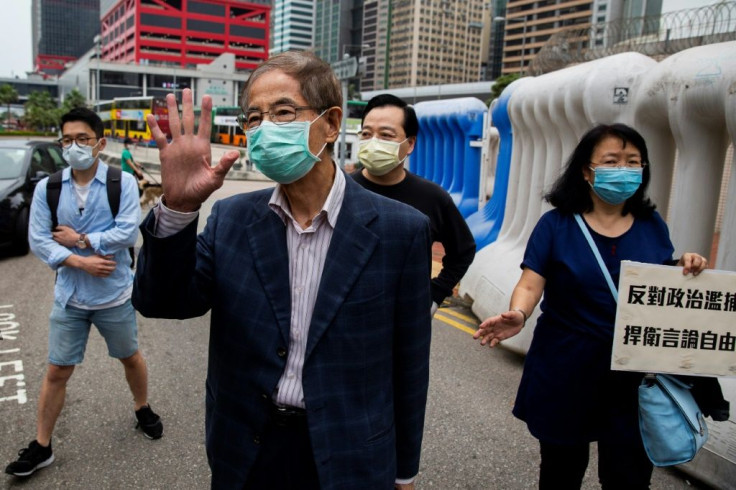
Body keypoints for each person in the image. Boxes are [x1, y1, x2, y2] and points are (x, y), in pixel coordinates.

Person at [131, 51, 432, 489]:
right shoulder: (232, 219)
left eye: (284, 111)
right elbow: (163, 303)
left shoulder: (400, 231)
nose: (265, 128)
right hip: (247, 448)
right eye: (253, 118)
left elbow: (409, 362)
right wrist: (178, 207)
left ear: (330, 124)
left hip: (350, 452)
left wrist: (405, 470)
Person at [473, 124, 712, 489]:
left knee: (628, 478)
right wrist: (519, 313)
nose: (624, 169)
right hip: (565, 370)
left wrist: (686, 268)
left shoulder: (651, 225)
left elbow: (660, 285)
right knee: (560, 473)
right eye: (612, 160)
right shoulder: (555, 225)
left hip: (633, 377)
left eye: (634, 162)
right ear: (587, 170)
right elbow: (530, 281)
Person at [5, 108, 162, 478]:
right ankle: (42, 445)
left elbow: (127, 232)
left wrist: (79, 240)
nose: (74, 146)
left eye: (83, 139)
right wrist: (82, 262)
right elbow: (39, 241)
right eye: (67, 140)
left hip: (114, 296)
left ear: (100, 143)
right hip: (70, 297)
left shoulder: (120, 183)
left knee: (130, 357)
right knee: (57, 370)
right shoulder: (49, 187)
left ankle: (142, 408)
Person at [352, 94, 476, 315]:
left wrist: (436, 294)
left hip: (405, 318)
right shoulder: (339, 189)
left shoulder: (432, 197)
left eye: (386, 135)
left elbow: (463, 250)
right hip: (345, 314)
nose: (373, 142)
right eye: (367, 134)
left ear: (410, 144)